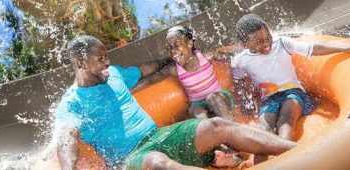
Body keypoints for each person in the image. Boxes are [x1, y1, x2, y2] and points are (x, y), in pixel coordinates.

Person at [55, 34, 296, 169]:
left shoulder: (115, 74)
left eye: (106, 56)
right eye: (100, 58)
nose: (107, 62)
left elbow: (144, 69)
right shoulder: (72, 102)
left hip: (159, 136)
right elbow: (67, 137)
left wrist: (170, 60)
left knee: (217, 126)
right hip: (129, 159)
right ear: (80, 64)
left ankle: (296, 151)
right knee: (159, 163)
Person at [232, 13, 350, 141]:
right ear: (245, 44)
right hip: (269, 100)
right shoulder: (240, 61)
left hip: (294, 93)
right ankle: (267, 160)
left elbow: (313, 48)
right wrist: (244, 103)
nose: (267, 43)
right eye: (259, 42)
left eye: (268, 36)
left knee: (285, 120)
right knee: (265, 127)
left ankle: (285, 154)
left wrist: (347, 47)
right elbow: (239, 82)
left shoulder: (282, 44)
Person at [162, 25, 234, 120]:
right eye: (170, 47)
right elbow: (151, 79)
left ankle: (234, 126)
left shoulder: (205, 56)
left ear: (190, 43)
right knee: (195, 111)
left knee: (211, 98)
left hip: (218, 96)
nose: (173, 51)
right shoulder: (174, 70)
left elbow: (231, 58)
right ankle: (211, 131)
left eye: (177, 44)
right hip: (198, 103)